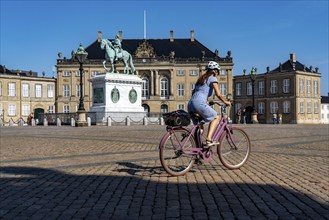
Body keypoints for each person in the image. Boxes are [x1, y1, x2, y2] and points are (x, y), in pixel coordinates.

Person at [188, 61, 231, 147]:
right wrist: (226, 102)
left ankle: (198, 152)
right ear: (214, 71)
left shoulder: (200, 80)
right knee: (215, 117)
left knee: (200, 127)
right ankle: (208, 139)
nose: (218, 74)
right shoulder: (212, 78)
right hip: (199, 103)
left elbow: (194, 93)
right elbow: (218, 94)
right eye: (218, 71)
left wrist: (205, 102)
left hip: (190, 104)